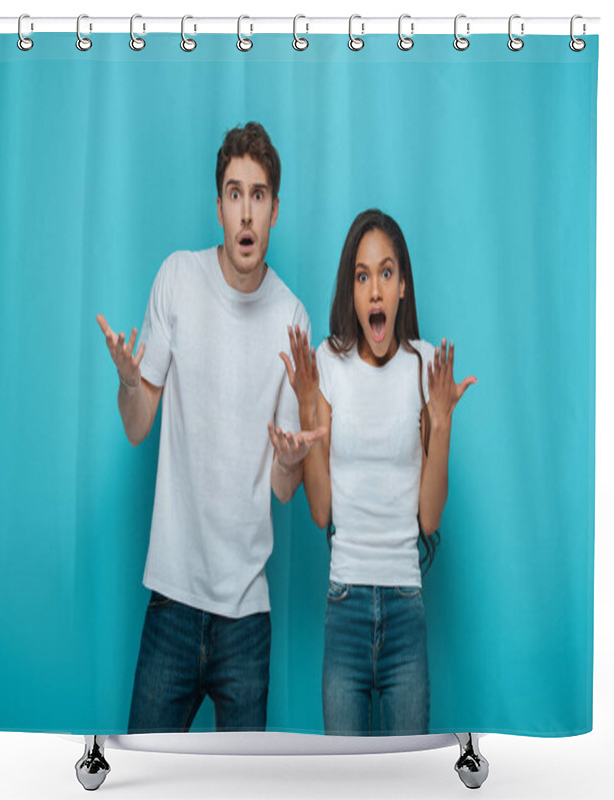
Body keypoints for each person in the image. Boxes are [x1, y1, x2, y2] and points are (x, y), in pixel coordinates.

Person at [96, 122, 324, 733]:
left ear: (275, 209)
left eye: (258, 195)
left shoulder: (293, 318)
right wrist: (128, 379)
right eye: (233, 193)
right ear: (217, 205)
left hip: (247, 619)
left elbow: (281, 488)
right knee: (143, 778)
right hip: (171, 600)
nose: (245, 212)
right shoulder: (177, 278)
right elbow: (139, 425)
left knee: (239, 790)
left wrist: (292, 453)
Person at [276, 209, 476, 736]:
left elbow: (428, 519)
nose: (375, 289)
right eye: (362, 276)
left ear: (403, 285)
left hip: (406, 609)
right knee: (344, 783)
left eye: (386, 273)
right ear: (352, 291)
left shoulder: (424, 366)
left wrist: (442, 421)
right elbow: (321, 511)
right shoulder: (329, 364)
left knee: (406, 784)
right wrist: (306, 405)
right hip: (345, 607)